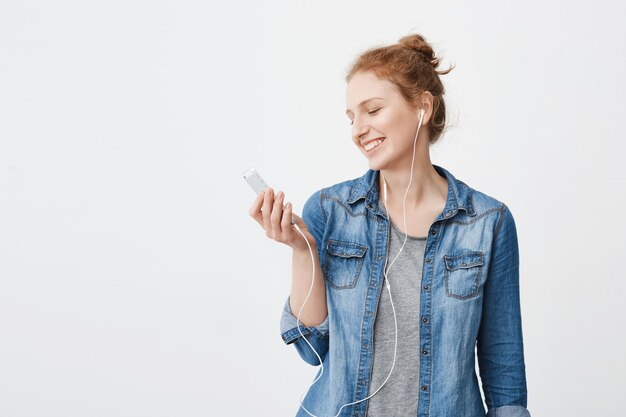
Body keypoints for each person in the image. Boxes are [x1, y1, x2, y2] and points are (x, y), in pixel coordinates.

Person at [249, 33, 530, 417]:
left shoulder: (487, 222)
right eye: (351, 117)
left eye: (372, 110)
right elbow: (310, 346)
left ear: (422, 108)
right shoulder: (331, 211)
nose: (357, 129)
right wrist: (304, 249)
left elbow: (503, 365)